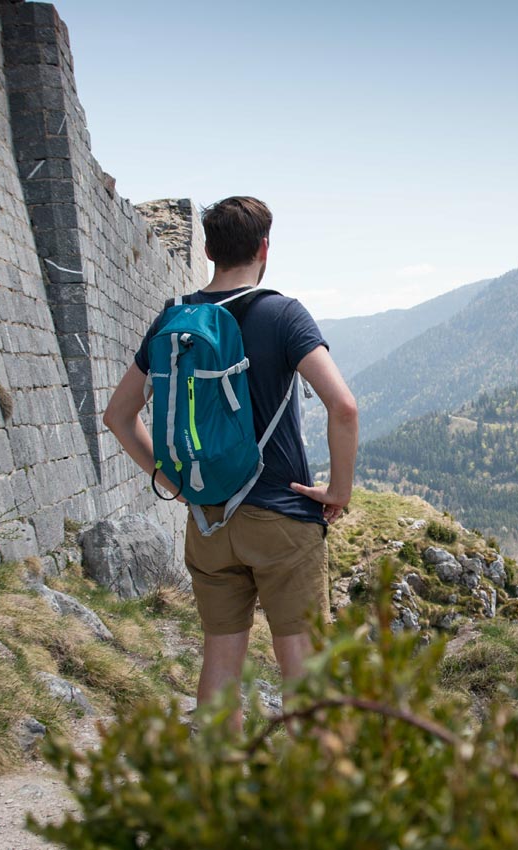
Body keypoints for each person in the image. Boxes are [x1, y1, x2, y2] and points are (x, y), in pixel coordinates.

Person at [103, 196, 358, 731]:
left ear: (207, 249)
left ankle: (221, 792)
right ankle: (306, 802)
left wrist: (172, 479)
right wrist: (338, 491)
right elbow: (344, 406)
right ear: (264, 248)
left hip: (208, 520)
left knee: (220, 658)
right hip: (283, 519)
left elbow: (119, 416)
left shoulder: (174, 320)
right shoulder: (283, 314)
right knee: (302, 670)